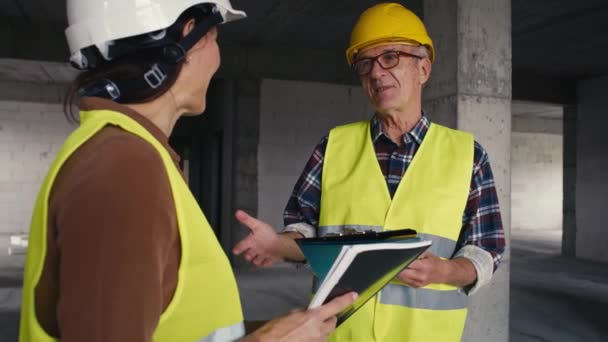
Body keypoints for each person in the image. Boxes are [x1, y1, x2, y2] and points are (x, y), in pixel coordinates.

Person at [18, 1, 356, 341]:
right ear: (187, 39)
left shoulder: (130, 155)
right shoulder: (124, 167)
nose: (218, 58)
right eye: (214, 36)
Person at [232, 2, 506, 341]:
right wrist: (278, 243)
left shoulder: (468, 156)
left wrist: (446, 270)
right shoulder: (333, 146)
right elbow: (307, 233)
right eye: (365, 63)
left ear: (424, 69)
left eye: (390, 57)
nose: (376, 73)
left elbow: (486, 250)